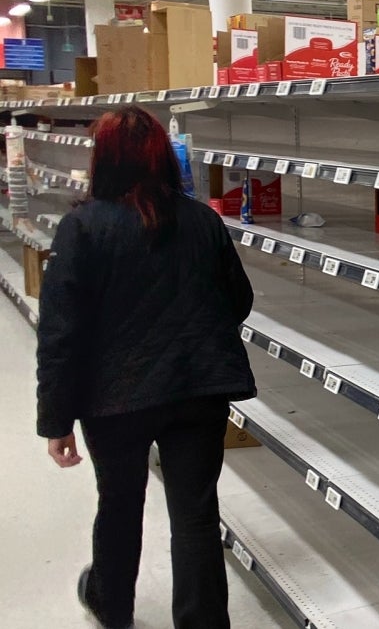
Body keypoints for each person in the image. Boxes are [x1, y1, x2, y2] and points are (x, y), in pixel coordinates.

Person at [35, 106, 256, 629]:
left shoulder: (82, 228)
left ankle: (111, 606)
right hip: (198, 390)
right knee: (196, 514)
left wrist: (56, 421)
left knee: (119, 504)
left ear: (102, 160)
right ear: (163, 158)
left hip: (115, 398)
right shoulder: (202, 221)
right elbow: (238, 301)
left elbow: (61, 333)